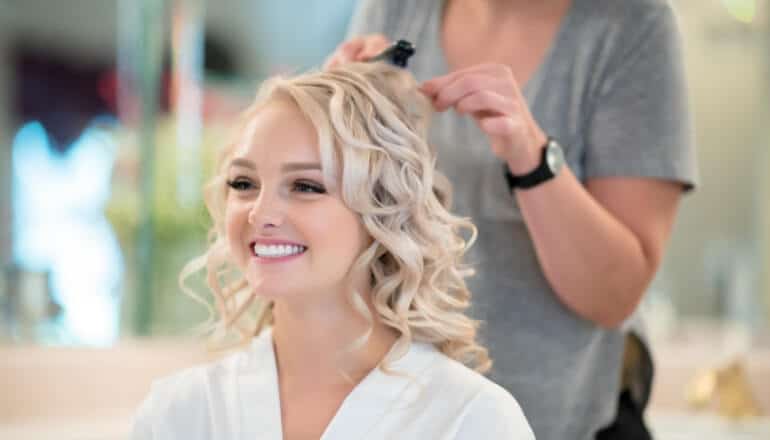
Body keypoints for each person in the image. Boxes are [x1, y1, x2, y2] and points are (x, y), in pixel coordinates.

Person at [325, 0, 698, 439]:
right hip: (410, 418)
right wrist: (332, 115)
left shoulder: (632, 26)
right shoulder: (394, 9)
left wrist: (531, 156)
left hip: (562, 424)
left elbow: (613, 296)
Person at [131, 62, 535, 439]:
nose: (260, 213)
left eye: (306, 186)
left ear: (383, 210)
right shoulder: (179, 413)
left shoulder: (472, 419)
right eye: (243, 183)